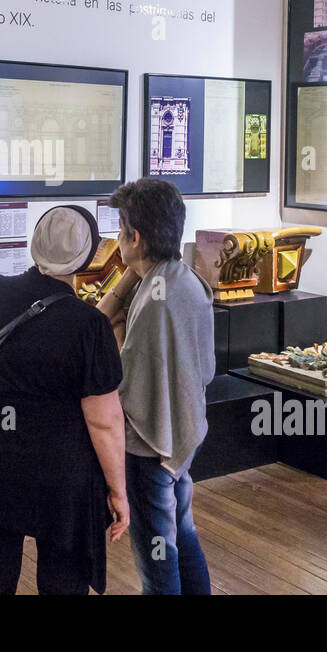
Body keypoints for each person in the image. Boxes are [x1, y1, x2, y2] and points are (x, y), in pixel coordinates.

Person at [0, 205, 129, 595]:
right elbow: (104, 420)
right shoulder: (90, 325)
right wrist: (118, 490)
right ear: (87, 255)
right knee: (63, 584)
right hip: (61, 476)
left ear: (34, 248)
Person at [97, 178, 215, 595]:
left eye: (121, 229)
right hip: (182, 435)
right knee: (183, 537)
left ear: (136, 236)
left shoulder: (153, 302)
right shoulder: (184, 279)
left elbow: (123, 379)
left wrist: (114, 330)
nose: (115, 238)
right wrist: (133, 269)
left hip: (148, 446)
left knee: (157, 558)